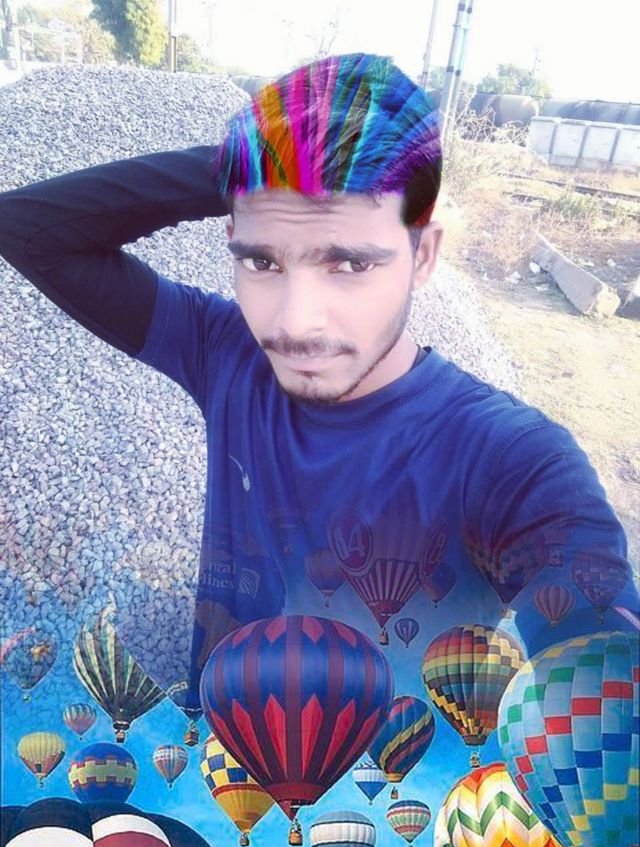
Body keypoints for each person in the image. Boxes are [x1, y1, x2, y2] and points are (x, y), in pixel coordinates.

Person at [0, 52, 636, 715]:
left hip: (389, 777)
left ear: (423, 255)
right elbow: (28, 229)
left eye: (349, 265)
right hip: (212, 759)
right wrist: (246, 170)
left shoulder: (512, 459)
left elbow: (603, 669)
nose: (294, 322)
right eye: (262, 262)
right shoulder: (227, 355)